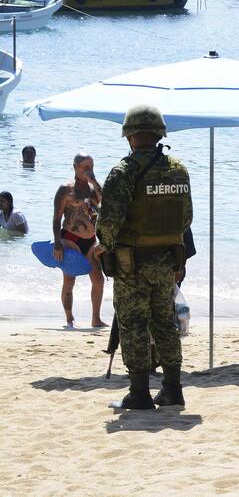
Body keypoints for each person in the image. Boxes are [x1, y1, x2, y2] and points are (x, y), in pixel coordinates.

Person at [94, 105, 192, 411]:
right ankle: (173, 390)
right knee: (165, 322)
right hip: (166, 262)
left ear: (130, 136)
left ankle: (139, 393)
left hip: (131, 263)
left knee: (133, 324)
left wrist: (104, 245)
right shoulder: (178, 168)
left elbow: (108, 224)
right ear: (160, 132)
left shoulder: (124, 172)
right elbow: (186, 218)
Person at [52, 153, 106, 328]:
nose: (89, 170)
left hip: (90, 240)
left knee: (98, 279)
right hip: (70, 238)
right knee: (70, 279)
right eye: (85, 167)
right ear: (75, 167)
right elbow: (56, 218)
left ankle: (95, 319)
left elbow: (105, 205)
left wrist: (95, 182)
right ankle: (69, 318)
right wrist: (58, 243)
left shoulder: (92, 190)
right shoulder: (65, 189)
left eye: (91, 167)